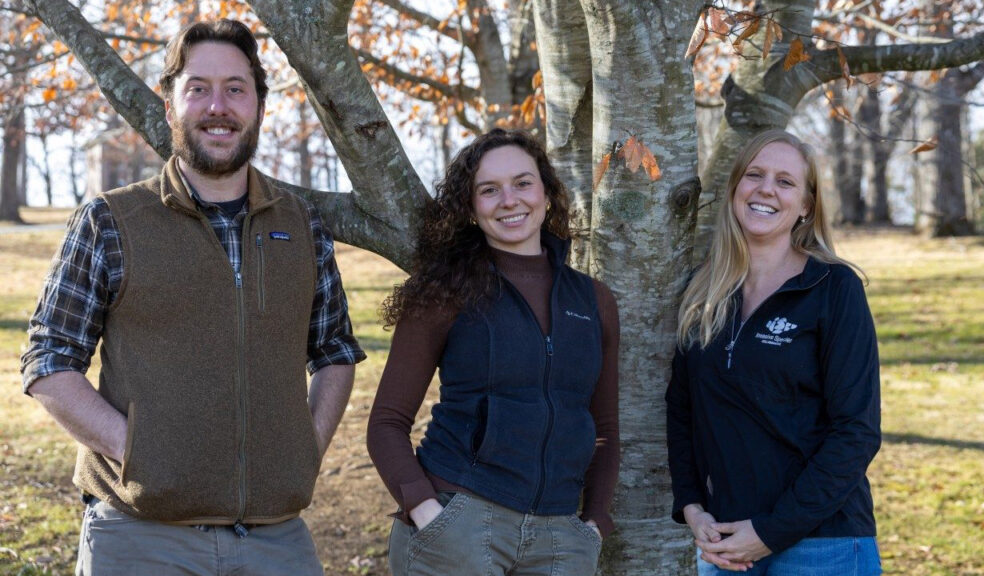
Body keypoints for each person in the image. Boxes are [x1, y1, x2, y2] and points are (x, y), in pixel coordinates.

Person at [19, 19, 365, 575]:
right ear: (170, 105)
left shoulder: (302, 225)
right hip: (140, 537)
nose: (217, 106)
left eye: (235, 88)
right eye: (198, 88)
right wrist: (138, 449)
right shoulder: (110, 220)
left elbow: (336, 351)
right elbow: (49, 359)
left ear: (259, 106)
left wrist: (307, 449)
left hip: (277, 541)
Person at [367, 128, 620, 576]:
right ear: (471, 206)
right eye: (489, 190)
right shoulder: (446, 292)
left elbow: (604, 429)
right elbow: (387, 423)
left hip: (562, 538)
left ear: (546, 192)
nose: (509, 200)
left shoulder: (592, 301)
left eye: (522, 183)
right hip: (460, 525)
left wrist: (595, 521)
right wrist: (425, 512)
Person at [666, 130, 883, 575]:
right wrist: (691, 505)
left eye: (785, 182)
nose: (766, 189)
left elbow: (856, 431)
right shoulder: (703, 291)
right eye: (755, 175)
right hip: (725, 541)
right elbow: (682, 410)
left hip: (823, 543)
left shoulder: (833, 289)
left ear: (806, 204)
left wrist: (771, 532)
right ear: (735, 190)